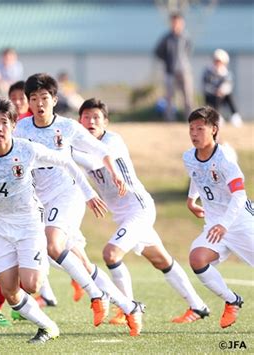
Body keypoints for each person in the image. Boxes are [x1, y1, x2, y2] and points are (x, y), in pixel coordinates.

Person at [0, 96, 106, 343]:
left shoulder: (26, 150)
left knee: (32, 284)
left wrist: (88, 193)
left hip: (28, 222)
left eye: (4, 122)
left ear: (13, 125)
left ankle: (46, 266)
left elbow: (66, 162)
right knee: (10, 291)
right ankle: (48, 326)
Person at [14, 73, 144, 336]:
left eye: (44, 98)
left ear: (54, 100)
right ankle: (129, 307)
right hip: (42, 201)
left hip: (68, 195)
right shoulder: (22, 129)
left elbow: (100, 150)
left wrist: (114, 172)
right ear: (29, 102)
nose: (39, 104)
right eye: (34, 99)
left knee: (53, 245)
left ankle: (96, 295)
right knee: (82, 262)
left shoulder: (68, 127)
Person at [73, 98, 209, 325]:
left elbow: (94, 162)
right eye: (86, 117)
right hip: (124, 215)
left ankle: (128, 307)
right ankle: (199, 306)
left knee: (111, 254)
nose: (91, 122)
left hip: (139, 209)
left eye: (96, 117)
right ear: (80, 121)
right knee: (161, 260)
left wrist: (64, 150)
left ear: (105, 123)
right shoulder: (79, 145)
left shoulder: (112, 141)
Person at [183, 106, 252, 329]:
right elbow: (197, 175)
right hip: (215, 225)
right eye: (191, 128)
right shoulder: (188, 157)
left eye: (200, 128)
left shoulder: (225, 159)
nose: (194, 133)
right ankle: (232, 301)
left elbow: (239, 196)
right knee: (197, 259)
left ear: (214, 129)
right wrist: (191, 199)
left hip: (241, 222)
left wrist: (225, 223)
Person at [155, 12, 193, 121]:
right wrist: (167, 61)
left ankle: (189, 119)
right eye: (174, 22)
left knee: (188, 96)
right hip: (170, 71)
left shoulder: (186, 37)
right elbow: (158, 52)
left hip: (184, 70)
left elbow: (188, 51)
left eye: (178, 22)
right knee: (170, 97)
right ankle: (170, 119)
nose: (176, 24)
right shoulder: (166, 38)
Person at [202, 49, 243, 127]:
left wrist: (221, 90)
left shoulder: (226, 73)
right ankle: (217, 116)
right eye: (216, 60)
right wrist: (215, 91)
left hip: (222, 96)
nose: (218, 63)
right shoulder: (208, 72)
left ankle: (235, 116)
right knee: (216, 97)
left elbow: (229, 85)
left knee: (229, 96)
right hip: (210, 96)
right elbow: (205, 86)